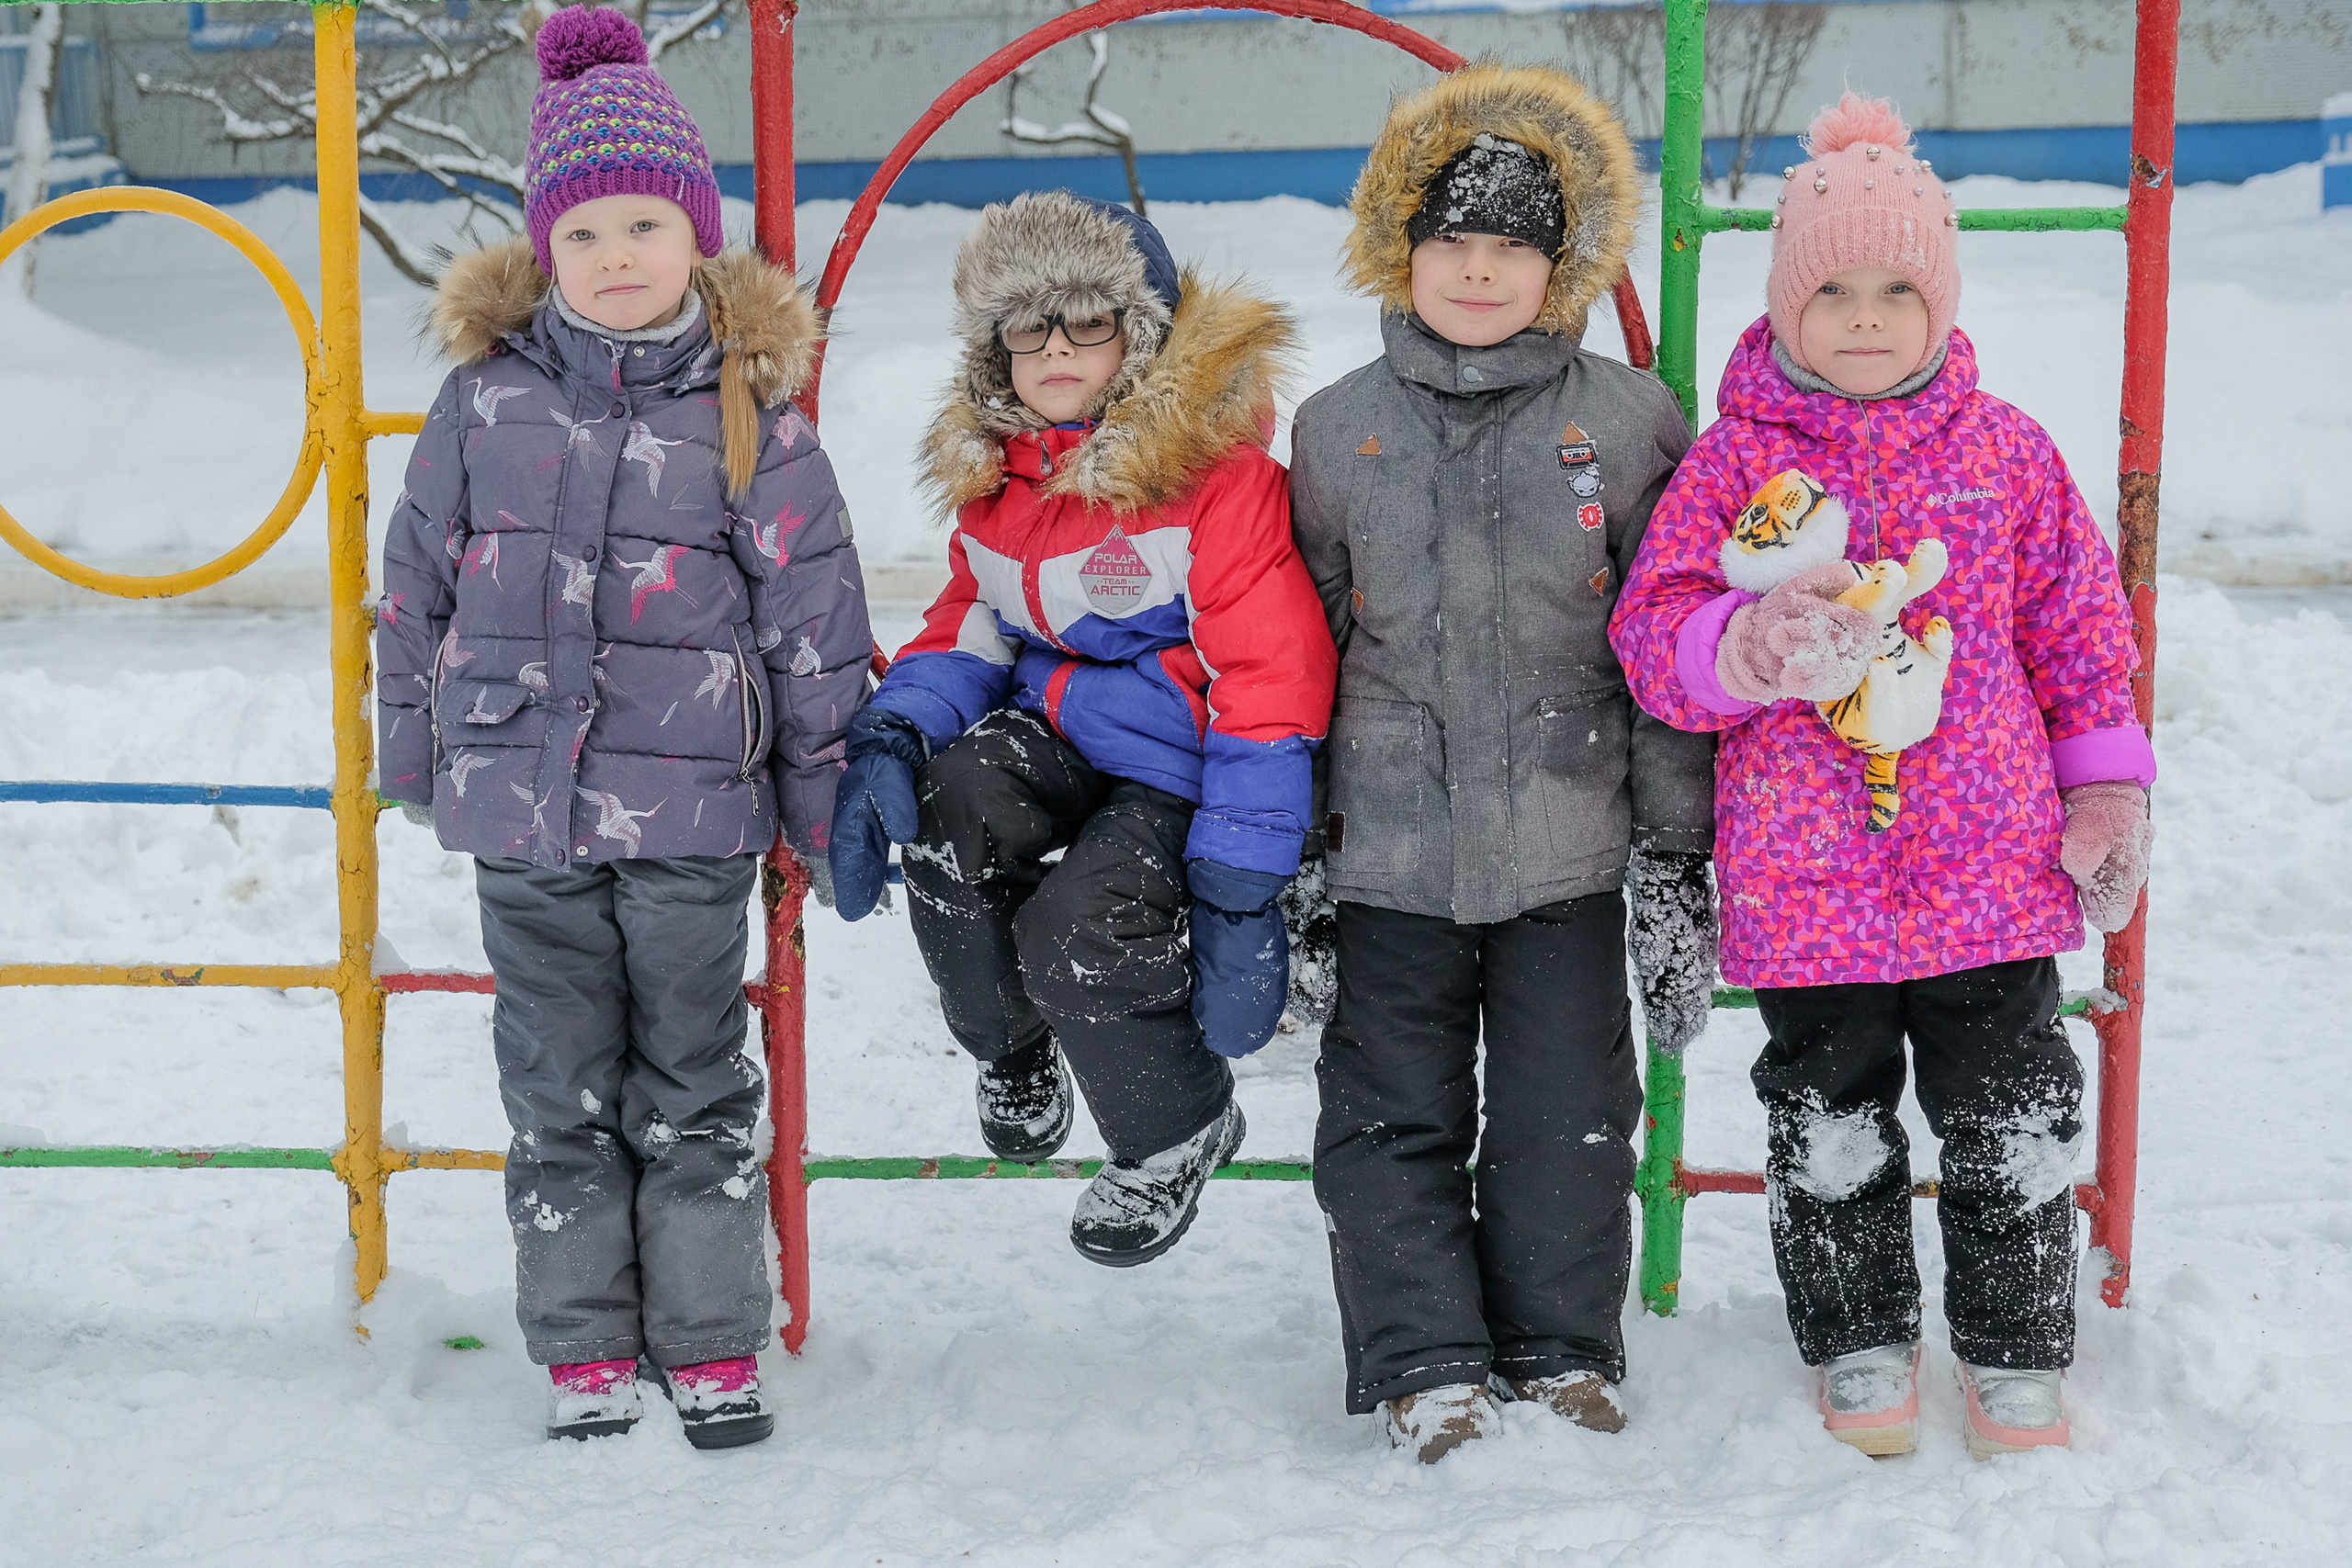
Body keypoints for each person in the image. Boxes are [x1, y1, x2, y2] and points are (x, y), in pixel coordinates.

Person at [1610, 95, 2154, 1460]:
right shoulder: (1737, 460)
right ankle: (1858, 1335)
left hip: (1990, 872)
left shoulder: (2006, 453)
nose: (1864, 317)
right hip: (1810, 875)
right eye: (1832, 290)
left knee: (2008, 1110)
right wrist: (1744, 642)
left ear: (1942, 298)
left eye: (1896, 288)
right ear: (1788, 306)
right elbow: (1651, 638)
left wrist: (2103, 789)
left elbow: (2082, 633)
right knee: (1828, 1118)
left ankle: (2018, 1345)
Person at [373, 6, 871, 1448]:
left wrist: (827, 794)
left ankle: (711, 1337)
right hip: (523, 812)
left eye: (646, 224)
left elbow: (817, 620)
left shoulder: (749, 415)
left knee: (696, 1074)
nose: (616, 259)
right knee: (556, 1078)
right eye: (583, 233)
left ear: (696, 239)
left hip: (694, 821)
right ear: (546, 248)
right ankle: (585, 1341)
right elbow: (413, 584)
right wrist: (414, 746)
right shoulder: (483, 402)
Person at [1288, 63, 1719, 1462]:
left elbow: (1664, 660)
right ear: (1401, 255)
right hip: (1392, 847)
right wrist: (1295, 855)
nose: (1479, 272)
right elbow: (1303, 652)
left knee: (1568, 1107)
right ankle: (1425, 1357)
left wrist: (1673, 854)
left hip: (1571, 840)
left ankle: (1558, 1345)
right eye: (1452, 246)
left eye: (1512, 250)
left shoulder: (1636, 422)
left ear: (1563, 263)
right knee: (1388, 1108)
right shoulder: (1337, 428)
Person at [827, 192, 1336, 1269]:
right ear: (993, 352)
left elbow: (1268, 677)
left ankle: (1173, 1125)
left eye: (1087, 321)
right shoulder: (1004, 484)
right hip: (1058, 732)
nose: (1054, 347)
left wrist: (1243, 881)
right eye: (1026, 327)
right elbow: (967, 623)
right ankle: (1009, 1045)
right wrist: (893, 734)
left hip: (1185, 761)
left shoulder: (1217, 483)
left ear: (1141, 337)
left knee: (1077, 925)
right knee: (951, 807)